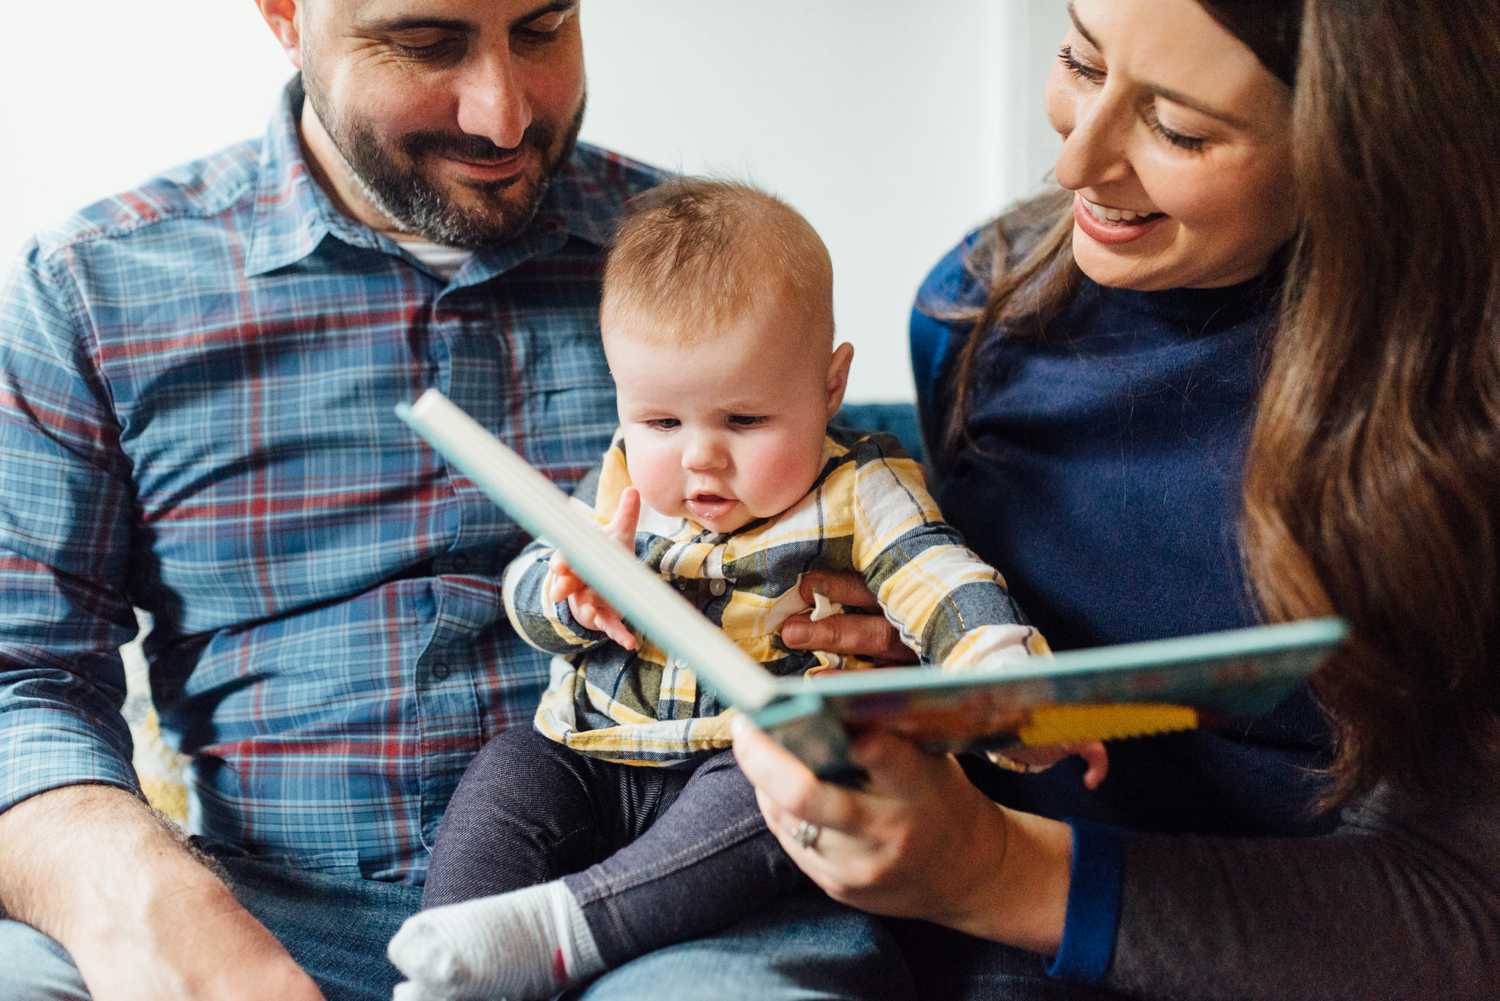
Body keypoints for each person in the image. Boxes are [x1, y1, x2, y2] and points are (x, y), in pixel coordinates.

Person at [0, 5, 911, 1001]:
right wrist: (134, 892)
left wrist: (885, 646)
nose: (504, 114)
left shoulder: (708, 269)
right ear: (285, 15)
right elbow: (20, 673)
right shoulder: (92, 291)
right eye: (429, 43)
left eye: (542, 25)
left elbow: (882, 549)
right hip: (268, 916)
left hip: (675, 912)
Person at [733, 0, 1500, 998]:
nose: (1075, 163)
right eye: (1081, 61)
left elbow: (1463, 913)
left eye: (1180, 127)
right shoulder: (976, 303)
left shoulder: (1458, 438)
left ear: (1365, 148)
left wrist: (994, 871)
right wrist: (931, 663)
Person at [384, 178, 1097, 1001]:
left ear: (829, 386)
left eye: (744, 421)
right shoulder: (620, 476)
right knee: (508, 769)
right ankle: (449, 959)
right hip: (590, 752)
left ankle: (566, 928)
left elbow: (941, 576)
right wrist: (564, 595)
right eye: (661, 422)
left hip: (745, 767)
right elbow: (527, 586)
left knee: (793, 785)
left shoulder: (858, 486)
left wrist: (1003, 679)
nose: (699, 459)